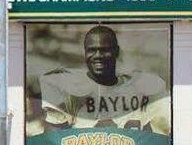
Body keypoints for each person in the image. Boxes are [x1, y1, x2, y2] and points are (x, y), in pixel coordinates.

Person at [33, 25, 169, 135]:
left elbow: (165, 135)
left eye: (104, 50)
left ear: (116, 51)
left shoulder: (142, 87)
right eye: (92, 50)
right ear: (85, 53)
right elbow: (52, 142)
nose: (98, 56)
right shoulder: (68, 87)